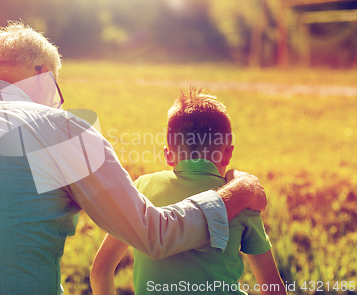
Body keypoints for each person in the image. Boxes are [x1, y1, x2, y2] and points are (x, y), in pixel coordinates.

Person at [0, 21, 267, 295]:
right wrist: (240, 190)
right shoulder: (60, 129)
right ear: (42, 75)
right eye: (57, 90)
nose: (58, 102)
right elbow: (155, 235)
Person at [91, 87, 286, 295]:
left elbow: (101, 270)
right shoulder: (242, 202)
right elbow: (273, 288)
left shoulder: (142, 189)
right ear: (228, 154)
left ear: (168, 155)